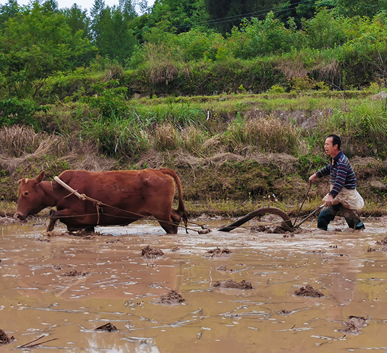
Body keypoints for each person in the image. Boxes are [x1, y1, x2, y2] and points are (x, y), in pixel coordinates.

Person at [309, 134, 365, 230]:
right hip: (337, 195)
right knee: (322, 217)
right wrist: (315, 175)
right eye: (325, 144)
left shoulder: (342, 162)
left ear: (335, 146)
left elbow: (339, 181)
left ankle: (360, 239)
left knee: (355, 225)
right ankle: (324, 238)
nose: (325, 146)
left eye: (327, 144)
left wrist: (330, 196)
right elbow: (328, 168)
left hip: (346, 196)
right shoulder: (334, 159)